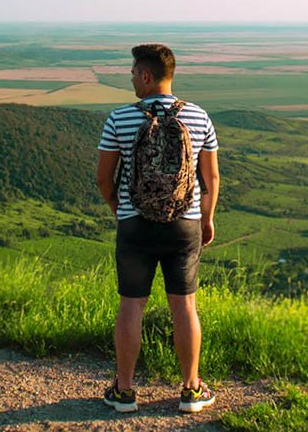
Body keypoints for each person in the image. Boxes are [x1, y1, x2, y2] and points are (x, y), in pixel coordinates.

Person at [96, 43, 220, 414]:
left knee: (131, 305)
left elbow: (104, 179)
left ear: (147, 76)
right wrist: (206, 218)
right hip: (184, 225)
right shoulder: (199, 117)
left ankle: (124, 392)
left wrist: (122, 211)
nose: (131, 78)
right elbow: (210, 177)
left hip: (136, 227)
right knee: (184, 306)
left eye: (134, 73)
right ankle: (191, 390)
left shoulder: (119, 119)